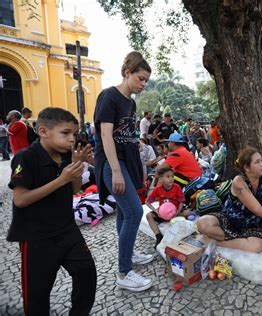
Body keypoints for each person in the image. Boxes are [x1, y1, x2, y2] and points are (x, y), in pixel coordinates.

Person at [7, 107, 96, 315]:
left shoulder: (66, 156)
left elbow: (74, 190)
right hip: (37, 237)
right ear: (43, 132)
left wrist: (76, 167)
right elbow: (20, 200)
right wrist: (61, 179)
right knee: (38, 294)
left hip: (67, 229)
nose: (72, 139)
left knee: (86, 274)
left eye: (74, 134)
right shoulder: (26, 158)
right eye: (66, 133)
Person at [93, 51, 154, 292]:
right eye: (140, 78)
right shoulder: (109, 96)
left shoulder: (131, 102)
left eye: (146, 80)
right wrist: (116, 171)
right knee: (134, 211)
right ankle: (124, 271)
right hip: (111, 163)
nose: (143, 84)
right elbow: (105, 135)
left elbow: (122, 133)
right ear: (127, 73)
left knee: (122, 211)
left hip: (127, 161)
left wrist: (137, 144)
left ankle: (127, 254)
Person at [145, 166, 186, 248]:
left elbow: (181, 201)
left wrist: (178, 211)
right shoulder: (158, 189)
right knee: (148, 215)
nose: (171, 179)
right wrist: (156, 211)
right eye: (168, 176)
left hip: (175, 213)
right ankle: (158, 236)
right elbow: (147, 202)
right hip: (163, 214)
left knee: (187, 213)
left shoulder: (176, 187)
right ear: (161, 178)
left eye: (172, 176)